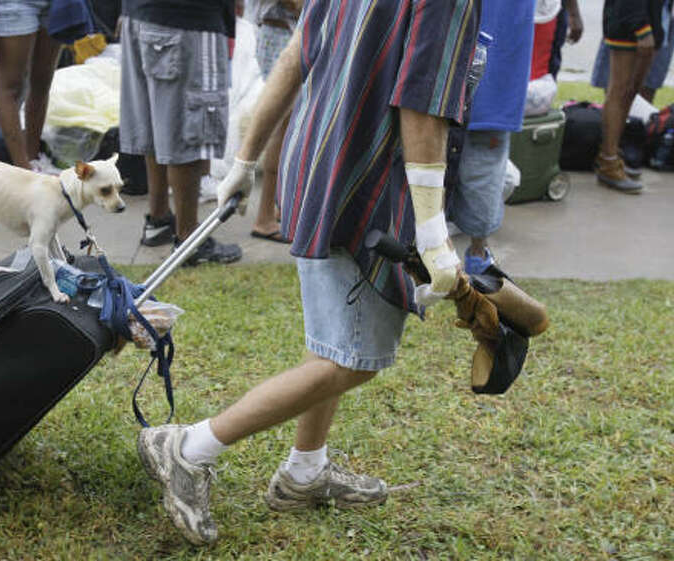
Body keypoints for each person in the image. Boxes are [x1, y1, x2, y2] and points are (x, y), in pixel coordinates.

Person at [136, 0, 479, 545]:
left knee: (333, 344)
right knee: (356, 359)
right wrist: (435, 233)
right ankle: (190, 447)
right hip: (363, 187)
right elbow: (423, 103)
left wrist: (247, 158)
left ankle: (304, 472)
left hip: (315, 162)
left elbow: (298, 49)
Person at [121, 0, 242, 265]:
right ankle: (189, 240)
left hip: (140, 14)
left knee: (157, 120)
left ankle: (159, 220)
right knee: (190, 129)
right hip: (188, 19)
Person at [448, 0, 535, 275]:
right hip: (489, 67)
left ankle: (473, 253)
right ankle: (475, 253)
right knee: (481, 168)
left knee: (478, 165)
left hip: (492, 70)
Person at [0, 0, 60, 171]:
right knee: (11, 87)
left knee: (42, 83)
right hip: (16, 4)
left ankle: (34, 160)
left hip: (56, 5)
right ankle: (22, 170)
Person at [594, 0, 665, 193]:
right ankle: (608, 161)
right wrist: (641, 28)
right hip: (630, 22)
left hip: (644, 19)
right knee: (620, 91)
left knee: (629, 93)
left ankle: (611, 155)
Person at [247, 0, 300, 243]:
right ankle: (265, 217)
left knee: (292, 127)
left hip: (285, 32)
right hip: (281, 33)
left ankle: (279, 207)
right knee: (283, 127)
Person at [590, 0, 674, 104]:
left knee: (648, 84)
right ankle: (618, 119)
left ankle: (638, 118)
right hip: (635, 9)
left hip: (669, 8)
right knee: (619, 89)